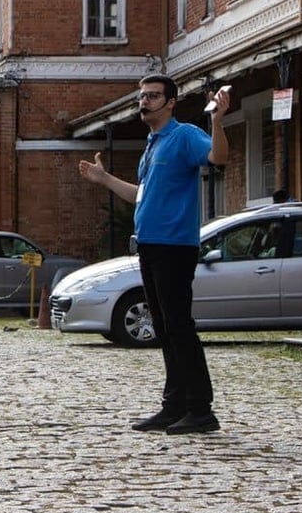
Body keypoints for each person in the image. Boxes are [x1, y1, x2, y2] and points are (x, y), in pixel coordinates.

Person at [78, 74, 230, 435]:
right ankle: (174, 405)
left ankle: (200, 409)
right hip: (149, 244)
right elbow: (141, 196)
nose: (144, 102)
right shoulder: (153, 145)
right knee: (163, 327)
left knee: (179, 326)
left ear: (170, 102)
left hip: (175, 245)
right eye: (142, 96)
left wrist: (219, 121)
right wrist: (105, 180)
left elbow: (217, 158)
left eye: (153, 96)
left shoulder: (184, 135)